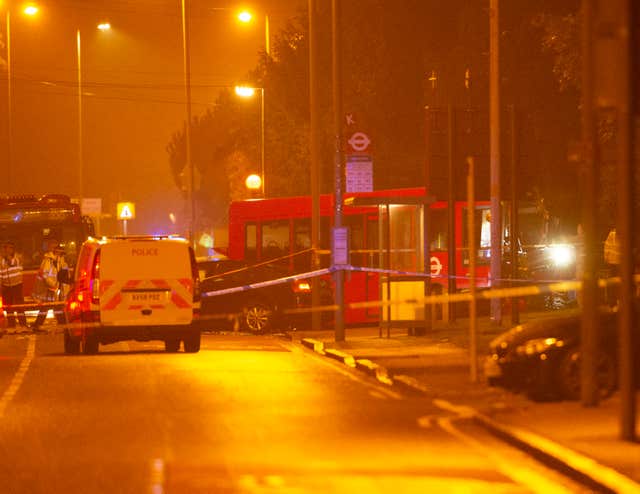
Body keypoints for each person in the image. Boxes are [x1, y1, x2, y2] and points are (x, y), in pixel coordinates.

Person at [32, 239, 68, 330]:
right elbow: (44, 274)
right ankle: (63, 325)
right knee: (52, 307)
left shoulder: (59, 260)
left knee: (55, 306)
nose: (60, 253)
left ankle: (38, 325)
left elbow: (62, 272)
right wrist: (52, 284)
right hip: (49, 288)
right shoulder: (48, 260)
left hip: (54, 287)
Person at [0, 240, 28, 329]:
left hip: (17, 285)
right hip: (6, 286)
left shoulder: (18, 257)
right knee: (8, 307)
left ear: (13, 249)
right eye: (6, 248)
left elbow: (13, 263)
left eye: (9, 248)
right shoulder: (1, 260)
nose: (7, 250)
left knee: (19, 306)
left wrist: (7, 258)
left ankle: (23, 324)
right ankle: (11, 325)